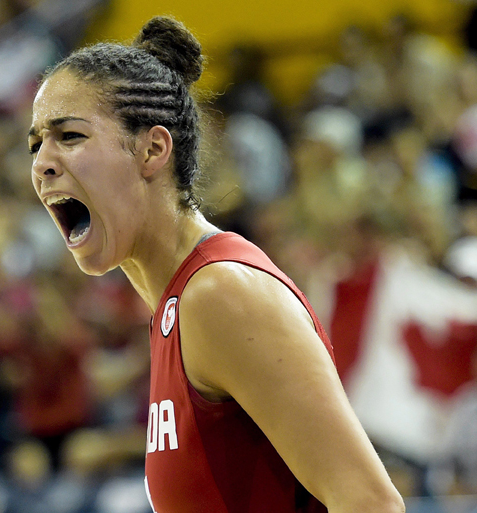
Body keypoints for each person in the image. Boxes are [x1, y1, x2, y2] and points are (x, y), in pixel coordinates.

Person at [27, 15, 404, 513]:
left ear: (153, 149)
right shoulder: (176, 304)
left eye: (69, 136)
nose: (42, 162)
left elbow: (371, 504)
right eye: (35, 143)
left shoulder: (222, 293)